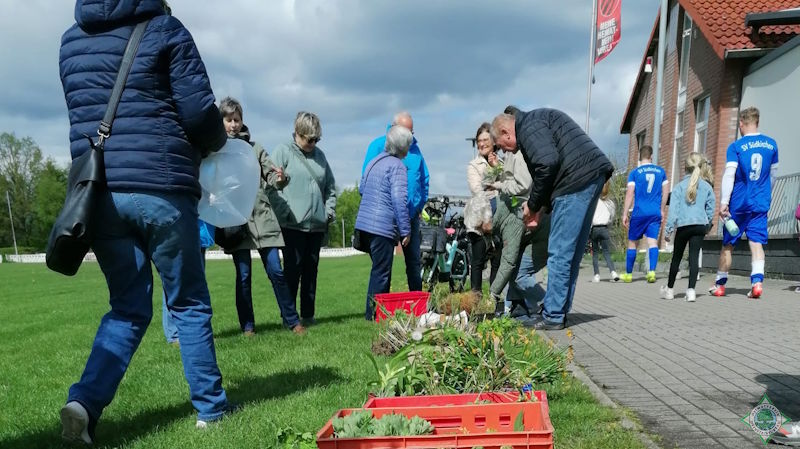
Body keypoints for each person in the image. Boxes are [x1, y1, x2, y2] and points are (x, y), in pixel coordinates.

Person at [58, 0, 232, 442]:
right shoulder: (165, 28)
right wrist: (218, 140)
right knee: (188, 302)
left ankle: (84, 403)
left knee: (127, 308)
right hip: (162, 185)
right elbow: (197, 113)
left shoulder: (71, 41)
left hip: (99, 194)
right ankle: (211, 412)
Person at [491, 108, 613, 330]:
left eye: (501, 145)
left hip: (574, 181)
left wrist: (533, 205)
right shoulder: (536, 121)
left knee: (559, 252)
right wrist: (540, 210)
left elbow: (548, 164)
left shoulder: (528, 127)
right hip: (591, 175)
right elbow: (547, 173)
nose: (505, 151)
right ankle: (559, 310)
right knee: (572, 253)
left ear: (506, 131)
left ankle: (553, 315)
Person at [218, 97, 304, 335]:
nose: (234, 125)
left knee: (276, 271)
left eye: (237, 120)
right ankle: (247, 326)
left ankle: (292, 321)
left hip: (263, 218)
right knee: (244, 276)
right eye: (229, 120)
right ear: (221, 121)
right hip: (237, 222)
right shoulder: (217, 151)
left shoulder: (255, 148)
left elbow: (272, 177)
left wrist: (280, 177)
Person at [269, 112, 337, 326]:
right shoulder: (282, 152)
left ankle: (308, 315)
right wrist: (284, 212)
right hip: (292, 225)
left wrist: (328, 212)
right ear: (297, 134)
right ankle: (289, 317)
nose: (313, 143)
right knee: (292, 271)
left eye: (317, 139)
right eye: (309, 139)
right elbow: (270, 186)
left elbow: (330, 188)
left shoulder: (321, 156)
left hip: (316, 226)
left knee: (311, 272)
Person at [709, 106, 778, 299]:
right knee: (757, 244)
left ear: (741, 123)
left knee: (728, 245)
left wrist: (723, 202)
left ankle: (720, 285)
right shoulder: (772, 145)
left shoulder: (736, 147)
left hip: (739, 203)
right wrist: (765, 194)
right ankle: (757, 283)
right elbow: (773, 176)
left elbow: (729, 174)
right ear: (757, 122)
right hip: (760, 203)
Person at [362, 112, 429, 291]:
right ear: (393, 129)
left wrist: (418, 206)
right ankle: (382, 308)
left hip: (410, 215)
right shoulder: (378, 146)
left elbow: (424, 180)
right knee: (384, 266)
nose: (410, 137)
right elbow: (366, 183)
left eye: (412, 132)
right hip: (386, 219)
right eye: (406, 132)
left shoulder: (415, 150)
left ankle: (417, 303)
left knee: (414, 263)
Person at [356, 126, 414, 320]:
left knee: (378, 270)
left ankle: (377, 313)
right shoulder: (397, 166)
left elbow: (362, 188)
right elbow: (399, 200)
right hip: (382, 227)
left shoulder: (375, 161)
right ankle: (373, 315)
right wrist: (405, 230)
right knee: (381, 273)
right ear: (403, 147)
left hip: (364, 225)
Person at [485, 137, 532, 314]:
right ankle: (512, 303)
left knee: (511, 264)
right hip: (501, 210)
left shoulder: (516, 155)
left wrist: (496, 171)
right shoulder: (508, 156)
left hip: (511, 211)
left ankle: (543, 303)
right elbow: (495, 182)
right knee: (509, 263)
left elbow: (514, 184)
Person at [661, 154, 715, 302]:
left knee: (676, 258)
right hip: (699, 226)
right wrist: (708, 223)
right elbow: (711, 207)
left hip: (684, 227)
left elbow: (673, 212)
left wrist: (668, 230)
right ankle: (691, 291)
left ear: (685, 168)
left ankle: (670, 290)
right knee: (694, 257)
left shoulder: (678, 187)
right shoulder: (706, 186)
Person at [162, 219, 215, 345]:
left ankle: (200, 333)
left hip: (200, 236)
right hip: (179, 233)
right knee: (173, 284)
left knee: (197, 286)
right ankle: (174, 334)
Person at [621, 146, 668, 283]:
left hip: (639, 212)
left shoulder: (635, 173)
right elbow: (665, 191)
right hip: (654, 212)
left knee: (632, 243)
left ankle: (629, 275)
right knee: (652, 242)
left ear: (639, 157)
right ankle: (652, 272)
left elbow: (630, 193)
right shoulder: (661, 171)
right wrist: (662, 209)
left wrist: (624, 213)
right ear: (651, 156)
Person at [465, 123, 501, 293]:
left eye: (486, 139)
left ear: (494, 141)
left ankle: (494, 301)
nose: (482, 143)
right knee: (478, 262)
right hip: (480, 220)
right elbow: (478, 190)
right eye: (479, 140)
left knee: (497, 263)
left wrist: (496, 168)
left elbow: (509, 189)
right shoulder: (473, 165)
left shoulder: (502, 162)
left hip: (500, 218)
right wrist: (494, 174)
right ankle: (476, 301)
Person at [590, 181, 620, 283]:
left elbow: (589, 217)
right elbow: (612, 217)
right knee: (606, 252)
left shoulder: (593, 201)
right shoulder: (610, 203)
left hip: (594, 229)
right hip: (605, 228)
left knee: (595, 253)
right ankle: (613, 272)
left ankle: (597, 275)